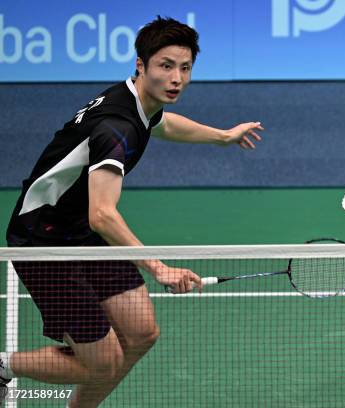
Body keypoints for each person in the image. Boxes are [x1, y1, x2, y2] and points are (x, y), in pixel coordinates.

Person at [0, 16, 263, 407]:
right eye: (165, 66)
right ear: (141, 66)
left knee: (142, 333)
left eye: (185, 68)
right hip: (44, 242)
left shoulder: (138, 100)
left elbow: (162, 125)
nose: (176, 78)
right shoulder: (115, 128)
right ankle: (3, 366)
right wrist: (159, 267)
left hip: (79, 231)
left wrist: (223, 137)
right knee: (103, 364)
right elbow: (102, 215)